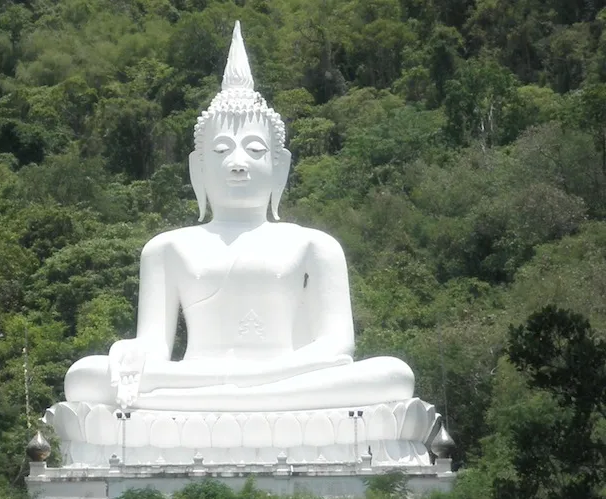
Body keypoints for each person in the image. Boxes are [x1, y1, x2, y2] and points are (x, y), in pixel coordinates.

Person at [62, 22, 414, 414]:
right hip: (261, 389)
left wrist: (253, 376)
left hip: (275, 378)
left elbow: (336, 347)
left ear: (279, 166)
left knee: (395, 375)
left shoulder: (314, 246)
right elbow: (153, 348)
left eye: (255, 149)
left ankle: (224, 398)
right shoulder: (167, 248)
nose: (238, 164)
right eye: (222, 150)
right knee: (83, 377)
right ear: (199, 168)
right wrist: (130, 356)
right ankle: (249, 400)